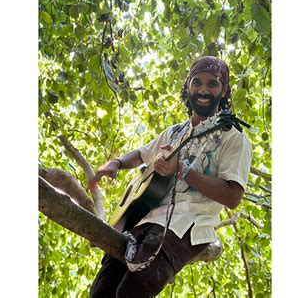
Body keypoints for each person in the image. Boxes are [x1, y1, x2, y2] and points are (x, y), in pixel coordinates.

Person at [88, 56, 252, 297]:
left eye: (212, 84)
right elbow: (142, 154)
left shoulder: (234, 138)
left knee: (129, 294)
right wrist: (115, 163)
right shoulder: (175, 132)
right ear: (188, 87)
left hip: (185, 228)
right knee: (100, 292)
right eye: (196, 82)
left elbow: (232, 196)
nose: (203, 90)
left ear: (224, 91)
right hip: (142, 222)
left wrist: (181, 170)